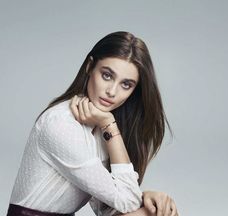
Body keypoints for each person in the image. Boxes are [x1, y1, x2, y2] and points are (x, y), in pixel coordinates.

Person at [7, 31, 178, 216]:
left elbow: (106, 205)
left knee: (160, 211)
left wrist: (145, 197)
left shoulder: (97, 127)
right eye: (107, 75)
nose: (112, 91)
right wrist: (109, 123)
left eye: (126, 85)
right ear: (90, 66)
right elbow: (126, 201)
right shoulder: (61, 125)